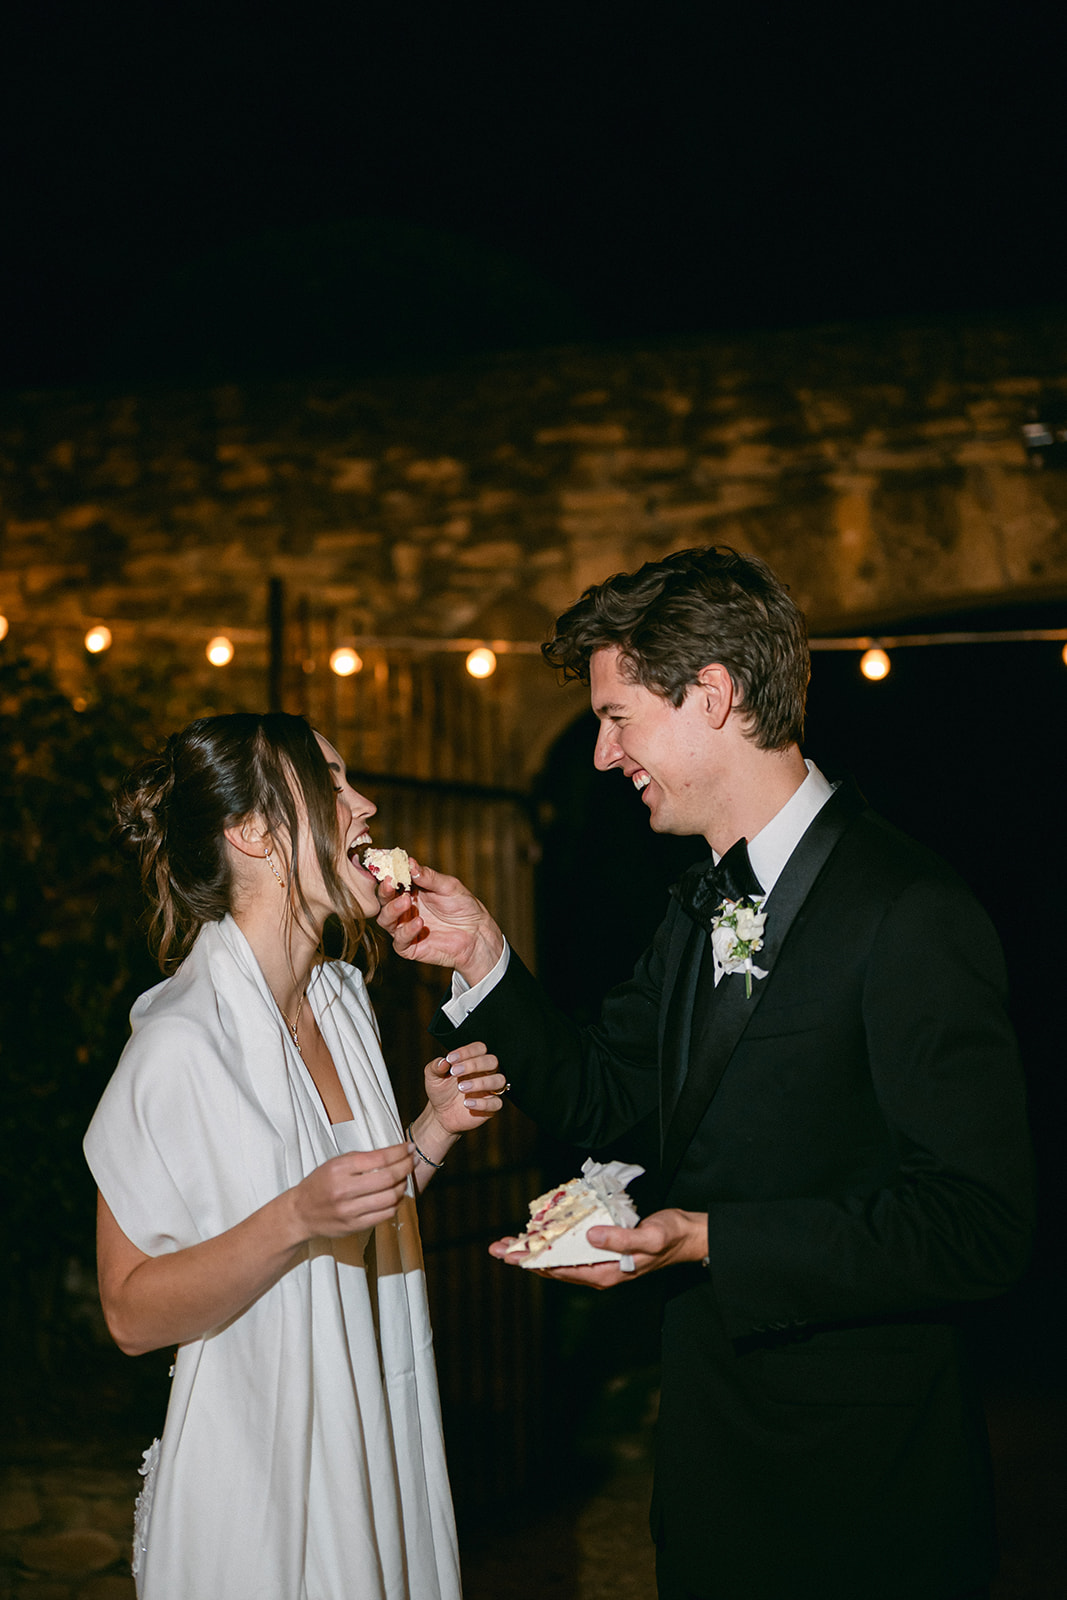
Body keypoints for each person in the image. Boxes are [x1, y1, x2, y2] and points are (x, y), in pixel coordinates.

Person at [378, 546, 1035, 1600]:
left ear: (713, 697)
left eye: (617, 717)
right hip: (711, 1471)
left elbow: (978, 1223)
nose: (600, 753)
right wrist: (479, 955)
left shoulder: (906, 911)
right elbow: (598, 1089)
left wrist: (707, 1238)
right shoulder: (699, 907)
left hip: (864, 1498)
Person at [84, 712, 507, 1600]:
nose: (364, 804)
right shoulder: (178, 1045)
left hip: (373, 1426)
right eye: (333, 783)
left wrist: (428, 1131)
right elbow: (128, 1312)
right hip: (262, 1474)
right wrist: (293, 1218)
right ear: (253, 833)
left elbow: (353, 1224)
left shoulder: (341, 1001)